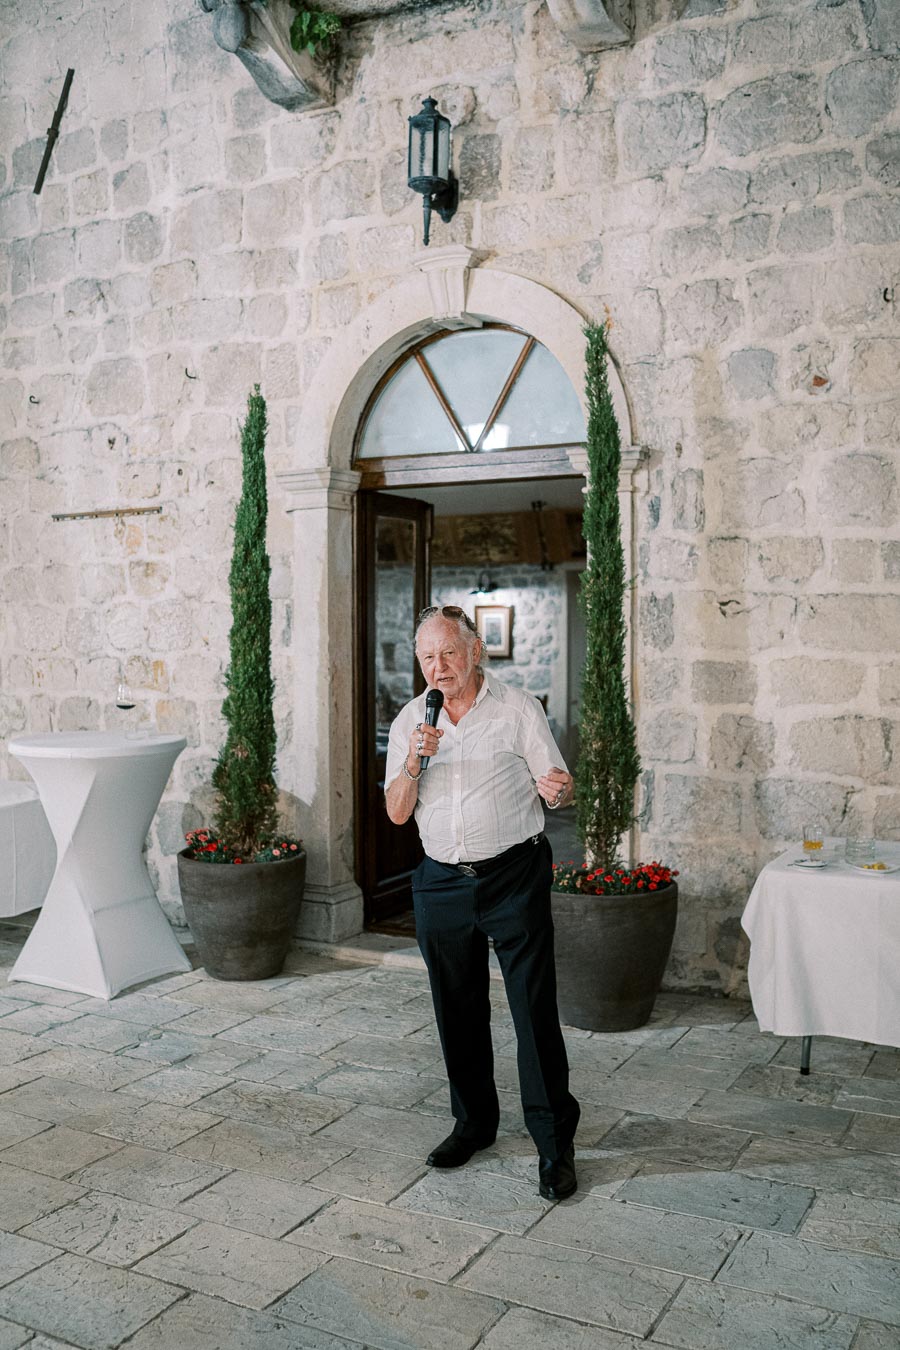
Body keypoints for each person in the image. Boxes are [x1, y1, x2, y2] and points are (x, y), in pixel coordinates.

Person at [385, 604, 580, 1200]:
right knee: (456, 1006)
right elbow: (397, 812)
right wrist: (417, 760)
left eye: (447, 653)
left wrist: (559, 788)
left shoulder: (519, 709)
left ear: (474, 652)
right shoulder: (408, 723)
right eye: (427, 657)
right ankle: (474, 1123)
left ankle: (553, 1143)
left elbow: (561, 785)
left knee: (531, 1008)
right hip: (441, 880)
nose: (437, 667)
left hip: (513, 875)